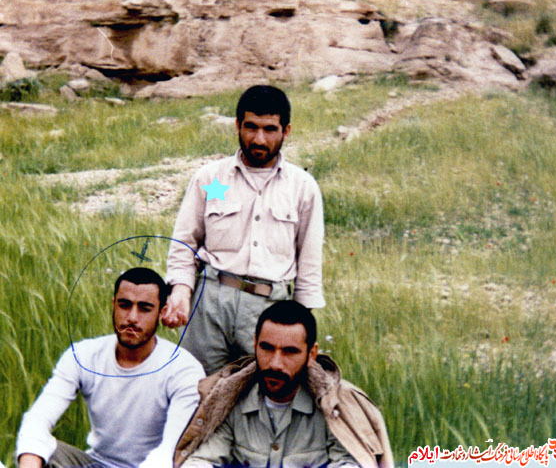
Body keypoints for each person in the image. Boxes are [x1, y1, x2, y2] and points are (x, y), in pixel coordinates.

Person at [163, 85, 325, 375]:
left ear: (286, 131)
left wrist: (301, 324)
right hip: (209, 304)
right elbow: (184, 244)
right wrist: (180, 291)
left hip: (269, 310)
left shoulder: (302, 187)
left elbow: (309, 263)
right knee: (195, 388)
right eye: (251, 127)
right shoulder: (210, 178)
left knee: (262, 392)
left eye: (270, 129)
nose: (259, 139)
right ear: (238, 125)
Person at [16, 267, 205, 468]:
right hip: (95, 463)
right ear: (113, 305)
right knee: (42, 450)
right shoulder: (83, 355)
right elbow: (37, 419)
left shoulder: (183, 369)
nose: (132, 318)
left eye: (144, 308)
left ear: (162, 311)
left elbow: (167, 452)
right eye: (125, 305)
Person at [174, 301, 394, 468]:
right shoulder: (230, 398)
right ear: (255, 345)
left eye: (289, 352)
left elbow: (350, 462)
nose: (275, 363)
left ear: (311, 354)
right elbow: (203, 459)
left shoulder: (334, 407)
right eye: (267, 348)